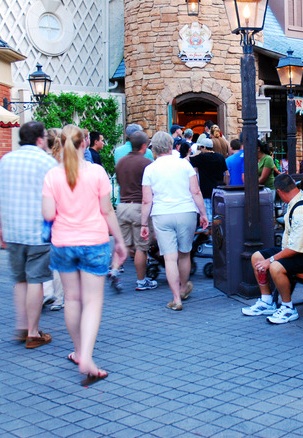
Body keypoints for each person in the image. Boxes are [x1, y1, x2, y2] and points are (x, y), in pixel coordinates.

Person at [42, 124, 128, 386]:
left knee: (72, 299)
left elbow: (47, 215)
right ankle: (88, 357)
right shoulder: (97, 173)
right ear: (84, 144)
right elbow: (107, 211)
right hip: (94, 242)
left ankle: (78, 351)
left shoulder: (52, 176)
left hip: (63, 244)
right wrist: (120, 242)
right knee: (92, 301)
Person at [0, 121, 56, 349]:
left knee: (19, 280)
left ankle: (21, 326)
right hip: (38, 231)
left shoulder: (5, 161)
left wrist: (0, 228)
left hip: (13, 230)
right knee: (36, 280)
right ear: (40, 139)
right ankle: (33, 332)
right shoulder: (47, 162)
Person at [241, 174, 303, 324]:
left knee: (275, 267)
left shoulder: (302, 212)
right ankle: (267, 301)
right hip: (299, 251)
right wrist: (268, 260)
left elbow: (295, 249)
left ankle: (288, 308)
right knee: (257, 257)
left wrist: (271, 260)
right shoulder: (298, 198)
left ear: (280, 191)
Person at [141, 131, 208, 311]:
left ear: (153, 148)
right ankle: (184, 286)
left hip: (162, 214)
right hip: (186, 211)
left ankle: (176, 298)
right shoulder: (184, 165)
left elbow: (147, 200)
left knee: (170, 258)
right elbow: (196, 191)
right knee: (185, 253)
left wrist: (142, 223)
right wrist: (203, 213)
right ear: (172, 146)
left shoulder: (150, 169)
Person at [115, 130, 158, 292]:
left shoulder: (121, 162)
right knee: (141, 246)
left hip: (122, 205)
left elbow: (119, 182)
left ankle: (114, 269)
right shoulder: (146, 163)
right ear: (144, 146)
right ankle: (141, 281)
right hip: (139, 206)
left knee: (124, 243)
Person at [43, 127, 65, 311]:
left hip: (45, 215)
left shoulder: (43, 162)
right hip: (63, 214)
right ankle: (59, 297)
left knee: (44, 254)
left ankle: (46, 291)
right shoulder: (64, 163)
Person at [190, 138, 228, 220]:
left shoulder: (200, 158)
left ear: (204, 147)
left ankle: (210, 231)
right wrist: (225, 185)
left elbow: (188, 158)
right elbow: (227, 174)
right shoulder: (220, 157)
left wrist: (196, 153)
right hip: (219, 190)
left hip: (206, 191)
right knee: (219, 216)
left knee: (209, 216)